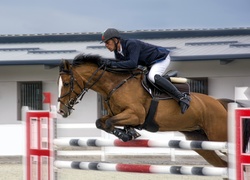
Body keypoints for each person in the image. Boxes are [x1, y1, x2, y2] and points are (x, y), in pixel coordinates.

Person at [100, 28, 190, 114]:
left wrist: (111, 63)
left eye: (107, 42)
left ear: (116, 40)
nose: (106, 46)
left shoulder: (131, 44)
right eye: (105, 43)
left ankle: (182, 97)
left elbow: (132, 64)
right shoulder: (118, 52)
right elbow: (123, 67)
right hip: (149, 64)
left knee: (153, 76)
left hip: (160, 59)